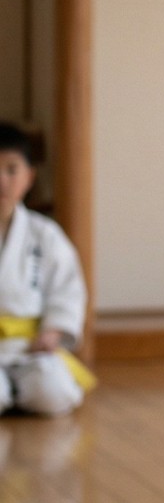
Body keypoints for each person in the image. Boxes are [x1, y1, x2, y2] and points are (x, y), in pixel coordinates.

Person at [0, 123, 94, 417]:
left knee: (52, 392)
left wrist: (52, 333)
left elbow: (67, 290)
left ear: (29, 177)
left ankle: (15, 392)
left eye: (11, 169)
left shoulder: (45, 235)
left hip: (31, 347)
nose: (1, 180)